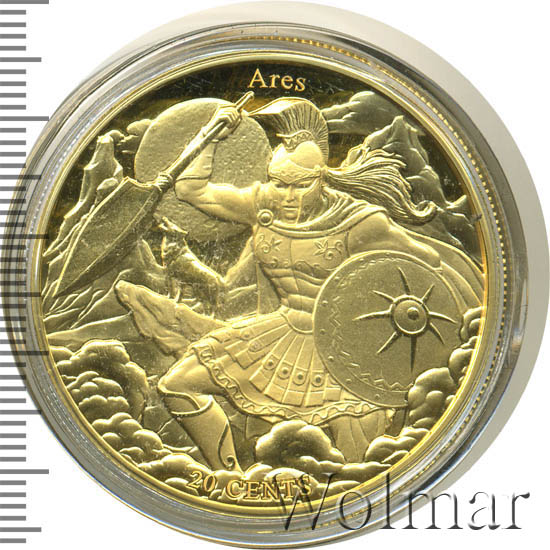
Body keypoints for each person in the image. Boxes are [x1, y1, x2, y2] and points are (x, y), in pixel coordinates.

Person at [157, 101, 483, 470]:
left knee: (359, 464)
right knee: (177, 384)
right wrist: (211, 135)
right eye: (279, 183)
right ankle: (230, 477)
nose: (287, 196)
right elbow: (190, 189)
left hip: (344, 351)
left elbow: (427, 265)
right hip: (279, 335)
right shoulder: (263, 203)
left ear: (322, 178)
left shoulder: (361, 222)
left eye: (300, 185)